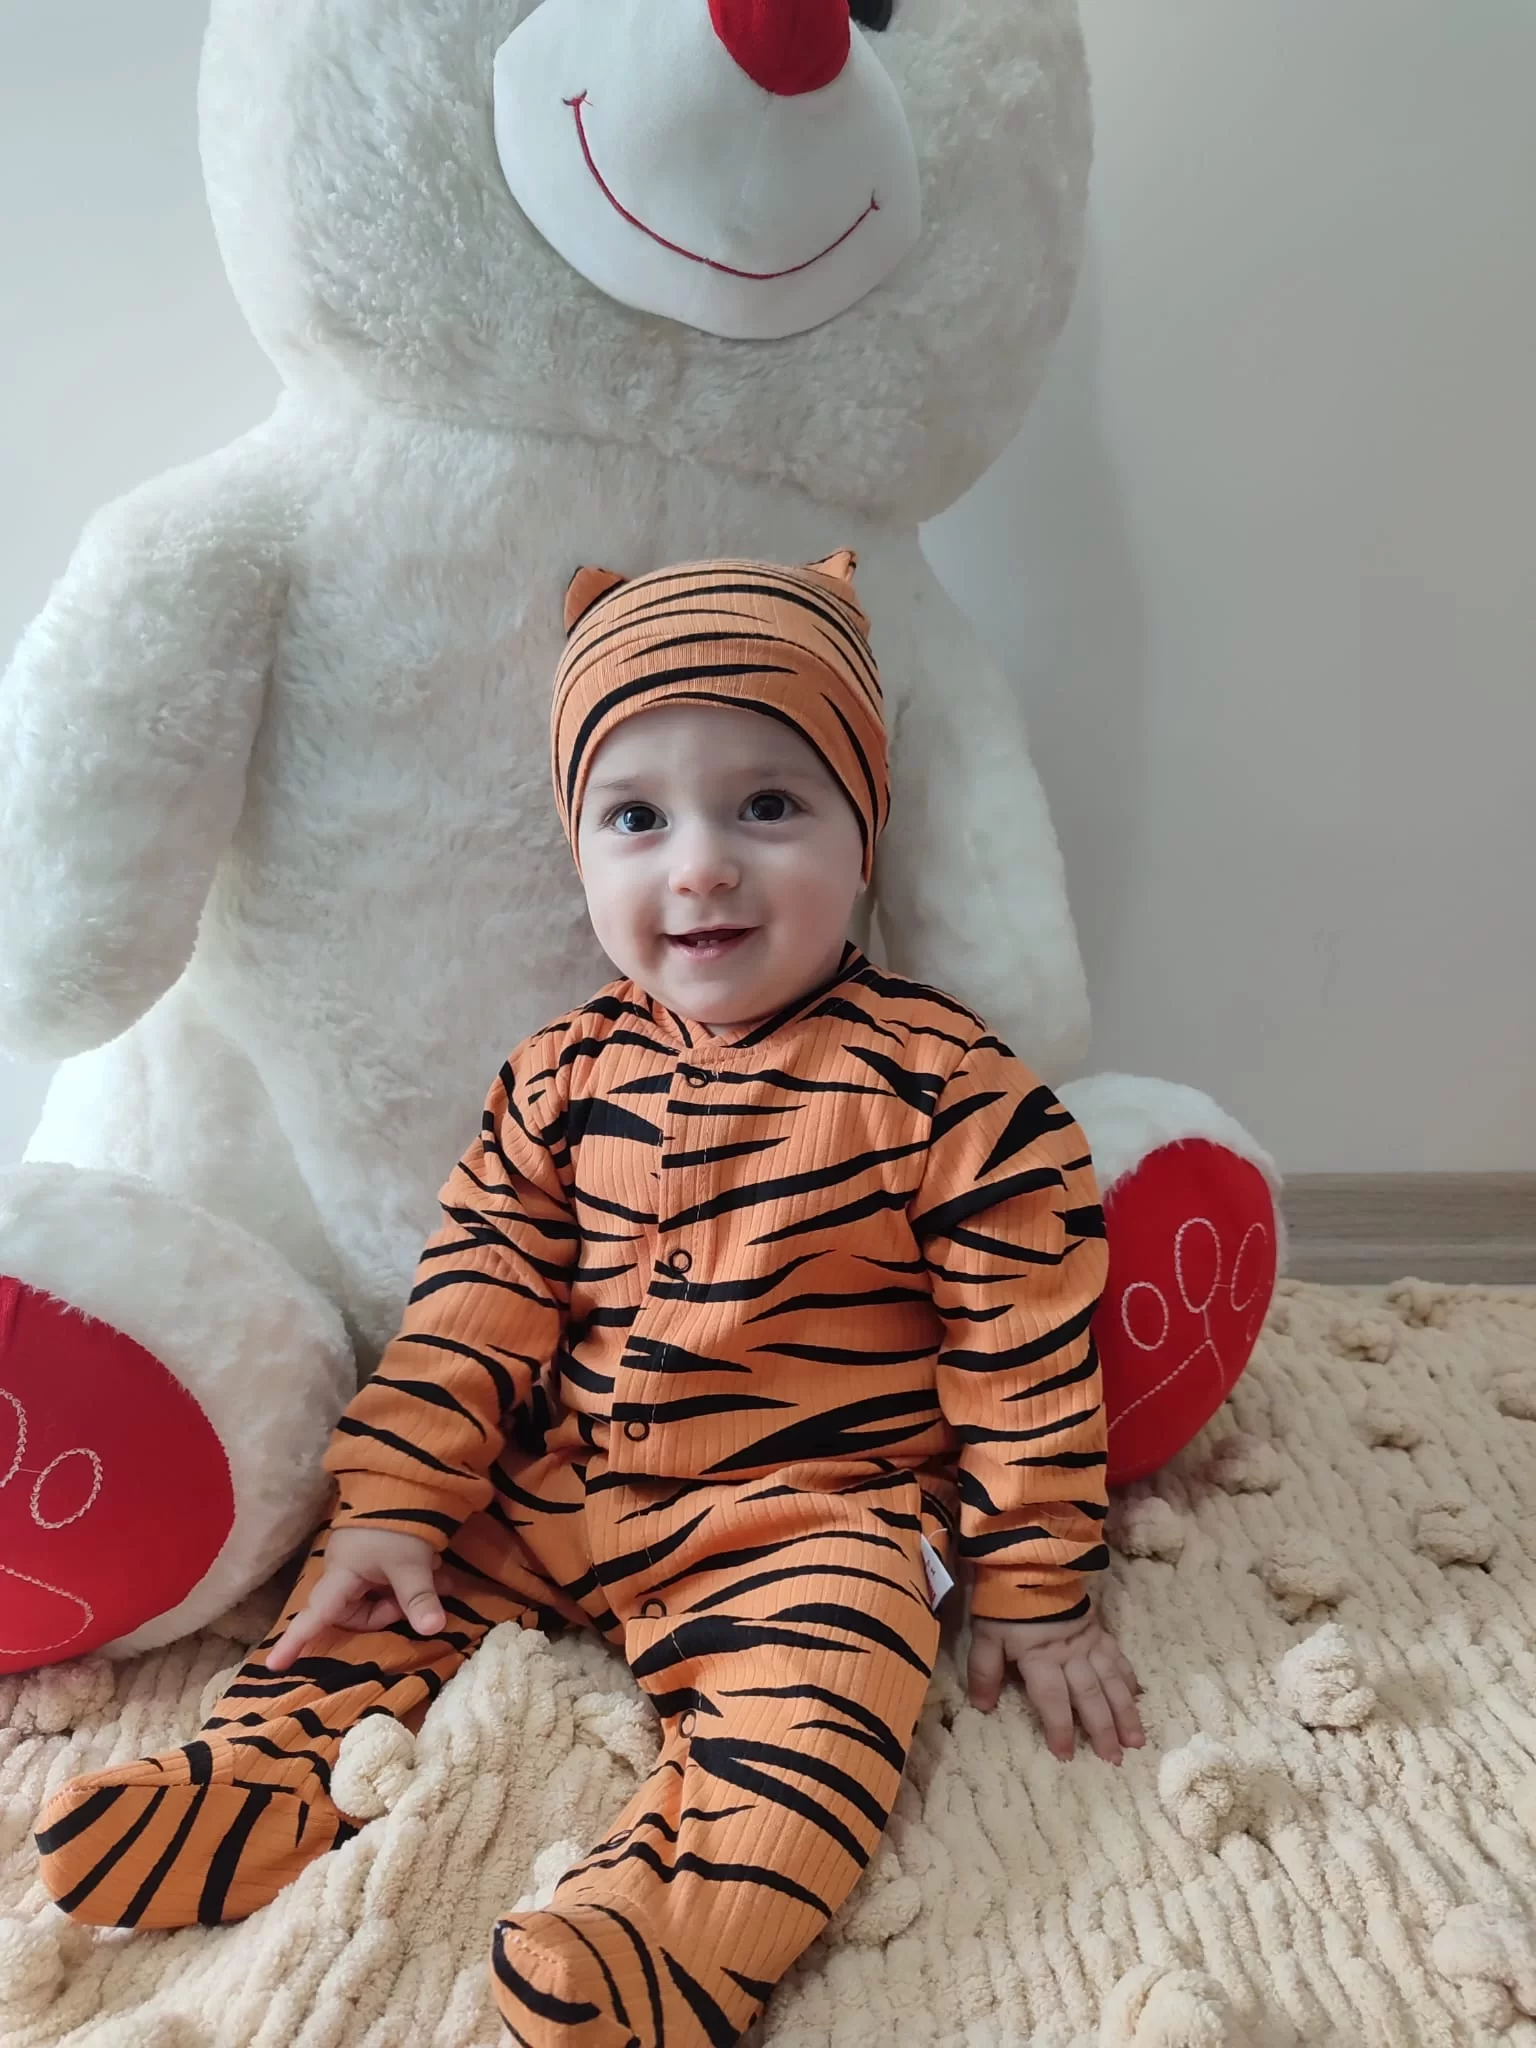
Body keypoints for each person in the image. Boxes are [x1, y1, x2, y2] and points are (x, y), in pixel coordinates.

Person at [36, 552, 1143, 2046]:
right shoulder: (560, 1077)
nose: (702, 866)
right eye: (637, 818)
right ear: (581, 851)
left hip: (809, 1514)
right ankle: (259, 1773)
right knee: (373, 1591)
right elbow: (475, 1301)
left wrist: (1035, 1590)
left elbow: (1026, 1358)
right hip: (561, 1484)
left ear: (864, 831)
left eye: (769, 805)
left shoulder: (952, 1092)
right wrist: (397, 1501)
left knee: (833, 1685)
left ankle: (675, 1932)